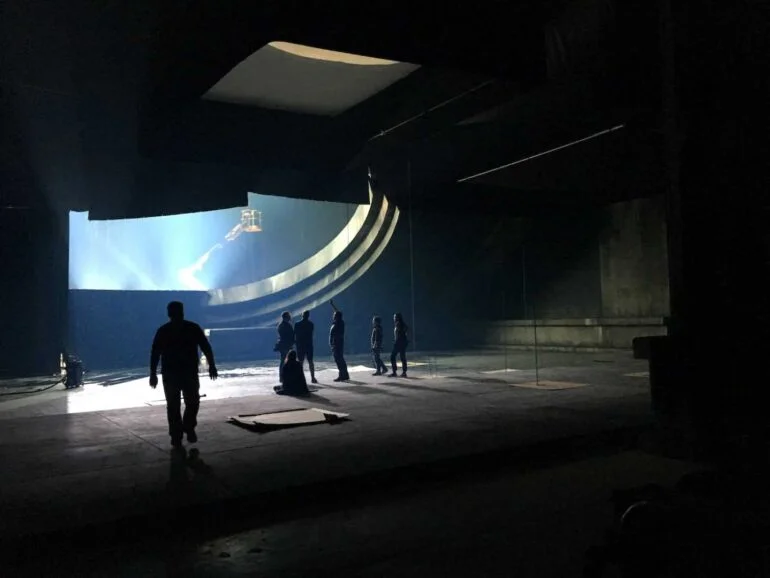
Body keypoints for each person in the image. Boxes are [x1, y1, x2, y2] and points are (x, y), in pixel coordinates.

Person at [150, 301, 217, 448]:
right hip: (188, 372)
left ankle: (177, 435)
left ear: (169, 313)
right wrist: (212, 365)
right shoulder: (192, 328)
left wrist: (153, 373)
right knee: (192, 402)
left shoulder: (164, 330)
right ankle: (188, 427)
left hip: (171, 374)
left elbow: (155, 353)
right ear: (182, 312)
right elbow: (206, 347)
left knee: (174, 406)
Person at [294, 310, 317, 384]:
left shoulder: (297, 324)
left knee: (300, 362)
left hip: (300, 345)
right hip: (309, 345)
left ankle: (299, 378)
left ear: (302, 315)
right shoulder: (311, 324)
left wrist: (295, 342)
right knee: (310, 361)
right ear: (308, 316)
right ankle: (312, 378)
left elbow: (294, 334)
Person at [329, 299, 349, 382]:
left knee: (339, 360)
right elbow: (337, 312)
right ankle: (345, 375)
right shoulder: (339, 322)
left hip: (337, 344)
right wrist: (332, 305)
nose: (333, 315)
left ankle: (342, 375)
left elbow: (338, 312)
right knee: (340, 359)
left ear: (336, 316)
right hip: (337, 344)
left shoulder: (339, 323)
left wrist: (333, 344)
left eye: (334, 315)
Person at [275, 311, 295, 383]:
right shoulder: (286, 325)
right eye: (289, 316)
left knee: (283, 361)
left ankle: (282, 377)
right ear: (286, 317)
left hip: (283, 345)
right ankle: (283, 377)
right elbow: (290, 335)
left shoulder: (281, 325)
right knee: (284, 361)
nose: (290, 317)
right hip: (286, 345)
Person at [390, 312, 409, 377]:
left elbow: (399, 334)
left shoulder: (398, 324)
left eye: (395, 317)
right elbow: (406, 329)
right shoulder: (401, 324)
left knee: (393, 356)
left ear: (398, 318)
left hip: (399, 342)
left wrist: (398, 340)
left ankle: (395, 372)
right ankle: (404, 372)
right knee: (402, 357)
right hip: (402, 342)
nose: (394, 318)